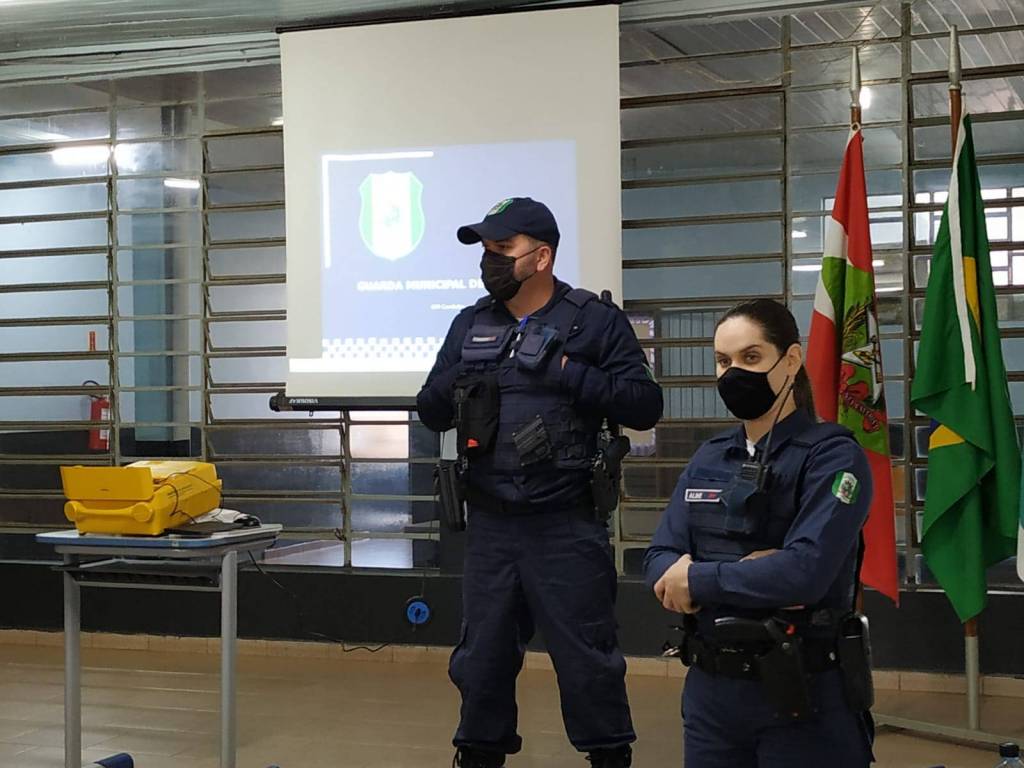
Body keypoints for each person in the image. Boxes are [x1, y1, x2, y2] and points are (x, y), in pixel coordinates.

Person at [417, 197, 663, 768]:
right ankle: (478, 754)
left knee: (588, 660)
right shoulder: (470, 323)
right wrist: (465, 372)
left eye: (503, 248)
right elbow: (430, 410)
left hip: (565, 525)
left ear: (542, 256)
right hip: (491, 526)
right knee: (481, 661)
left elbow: (644, 404)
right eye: (487, 249)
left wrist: (565, 371)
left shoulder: (593, 320)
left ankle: (608, 756)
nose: (491, 260)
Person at [643, 298, 875, 768]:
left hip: (802, 695)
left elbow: (804, 573)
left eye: (751, 357)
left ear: (791, 360)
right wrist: (751, 571)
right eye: (723, 361)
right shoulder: (709, 457)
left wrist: (698, 578)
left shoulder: (833, 457)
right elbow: (659, 558)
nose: (733, 374)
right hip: (712, 699)